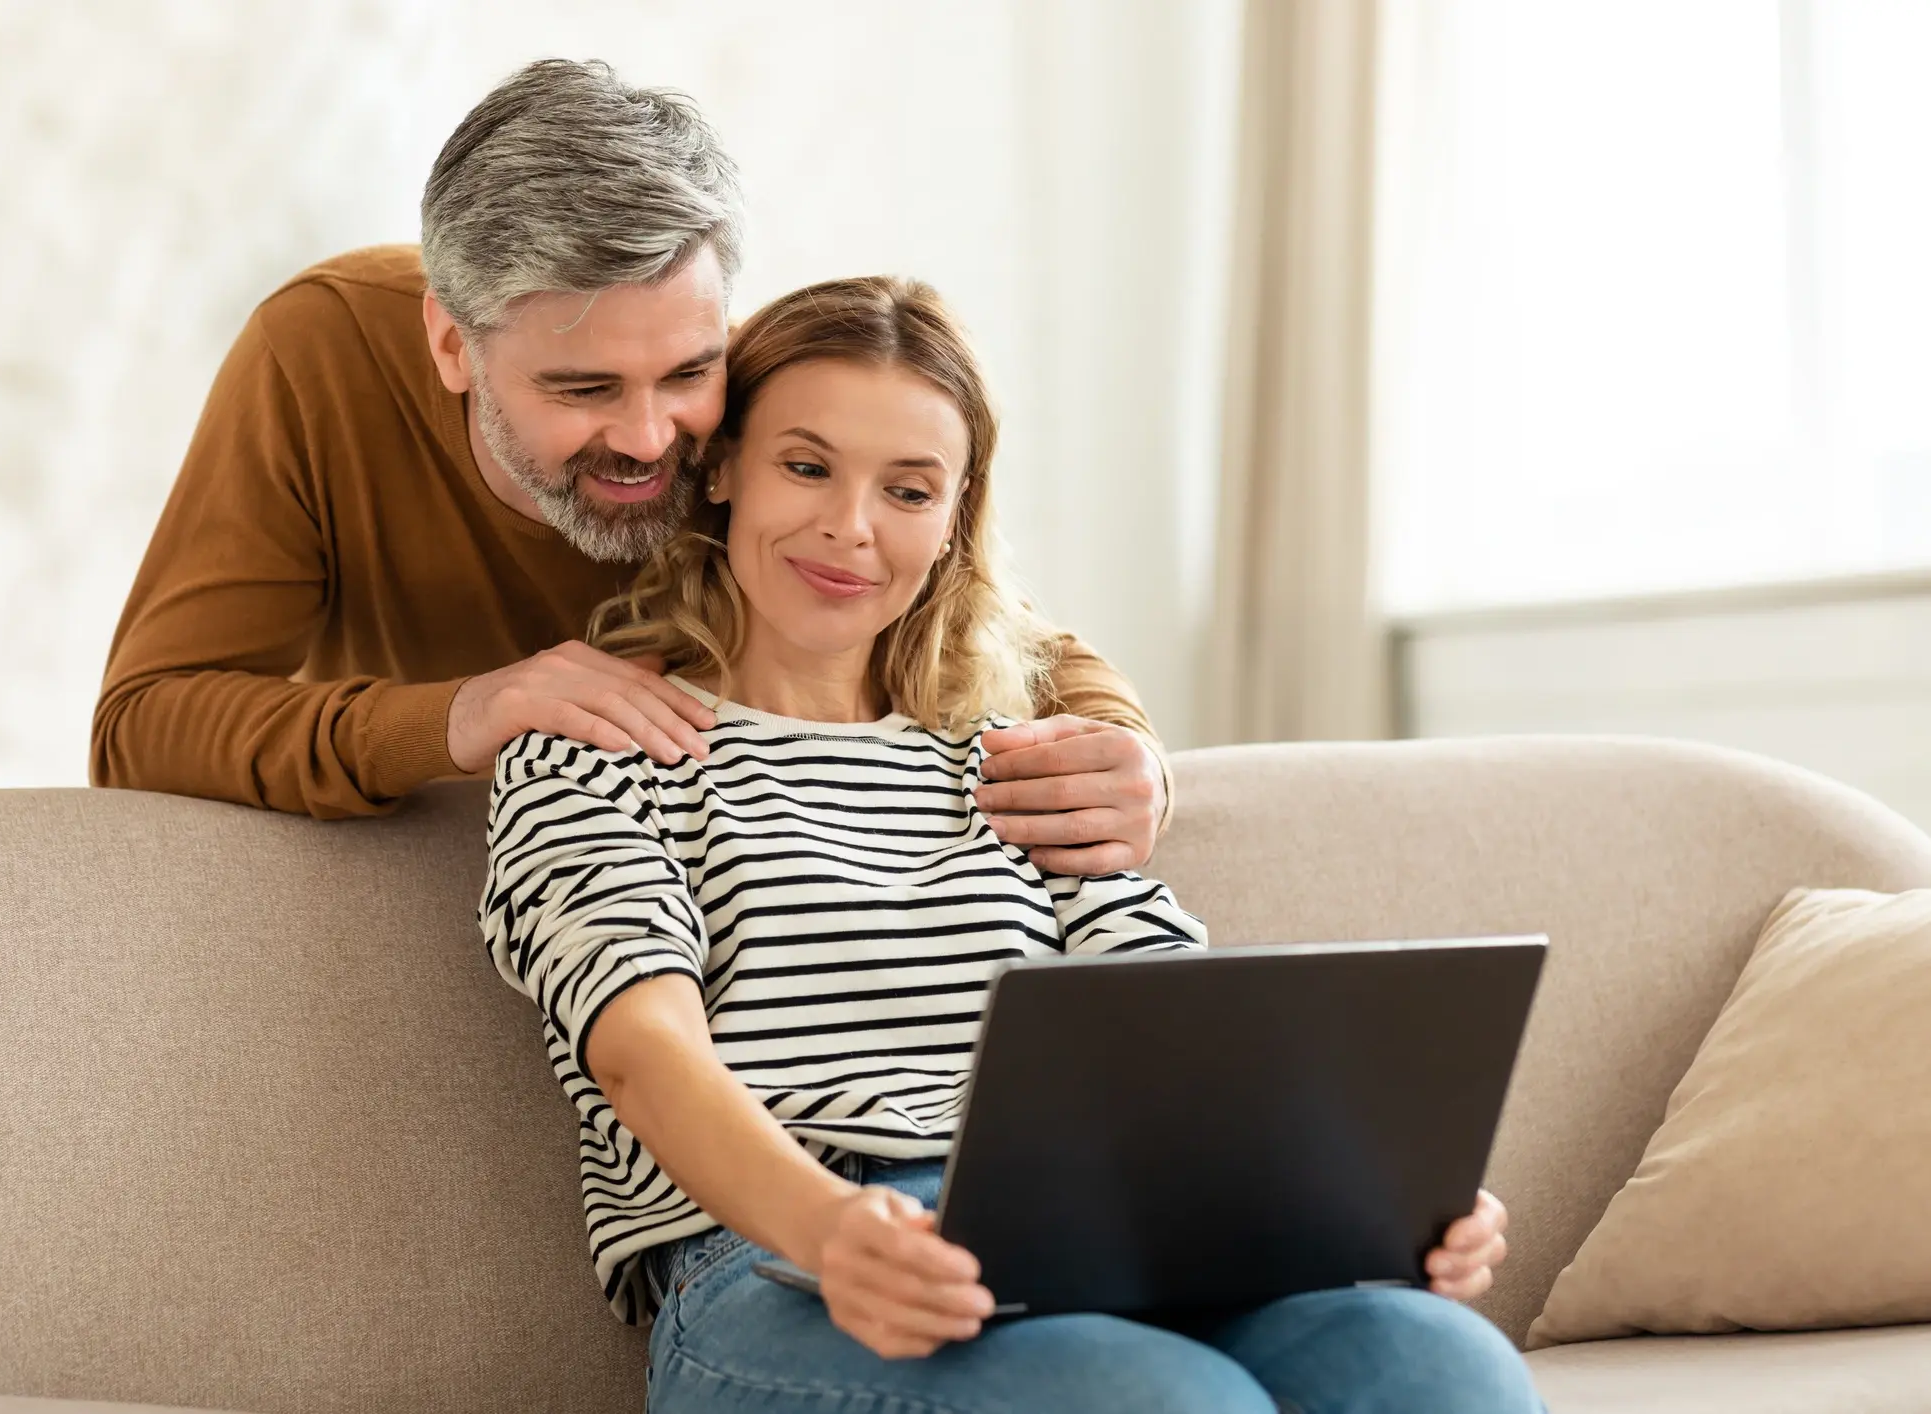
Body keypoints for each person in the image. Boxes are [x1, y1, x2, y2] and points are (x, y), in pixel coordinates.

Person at [478, 276, 1540, 1413]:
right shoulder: (594, 748)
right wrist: (834, 1229)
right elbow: (642, 1054)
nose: (852, 525)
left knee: (1435, 1363)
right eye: (806, 465)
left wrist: (1366, 1197)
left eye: (909, 489)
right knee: (1164, 1401)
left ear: (952, 520)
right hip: (773, 1266)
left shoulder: (1018, 764)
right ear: (723, 466)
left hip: (1106, 1234)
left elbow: (1181, 1031)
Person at [90, 59, 1166, 879]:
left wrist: (1129, 750)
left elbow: (963, 603)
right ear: (453, 345)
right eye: (583, 390)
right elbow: (141, 728)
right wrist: (460, 716)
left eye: (689, 370)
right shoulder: (319, 354)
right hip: (464, 868)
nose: (655, 438)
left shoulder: (745, 405)